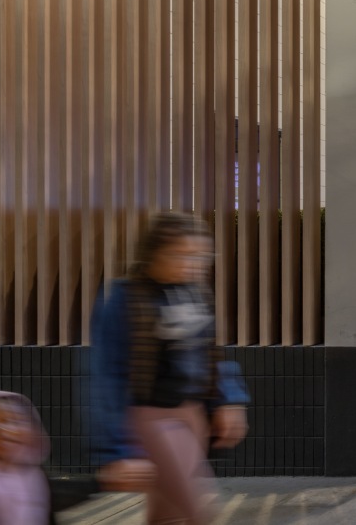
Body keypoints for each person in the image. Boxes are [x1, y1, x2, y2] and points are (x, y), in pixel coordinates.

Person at [90, 212, 249, 525]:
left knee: (168, 515)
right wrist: (113, 452)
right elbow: (105, 374)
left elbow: (212, 353)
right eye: (181, 254)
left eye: (201, 256)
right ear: (153, 253)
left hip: (192, 414)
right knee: (197, 509)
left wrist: (229, 400)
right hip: (150, 416)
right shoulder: (124, 297)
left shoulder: (195, 291)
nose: (194, 264)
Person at [0, 389, 152, 524]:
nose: (5, 432)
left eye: (12, 420)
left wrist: (102, 482)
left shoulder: (27, 478)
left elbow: (53, 494)